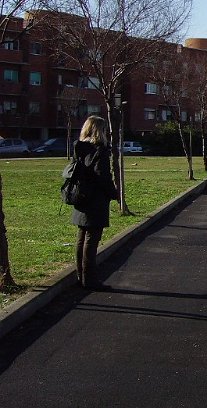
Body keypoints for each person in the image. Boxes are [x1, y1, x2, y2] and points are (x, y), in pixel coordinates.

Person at [71, 115, 118, 291]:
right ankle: (89, 279)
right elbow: (103, 177)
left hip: (80, 197)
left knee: (81, 238)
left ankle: (80, 276)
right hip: (95, 200)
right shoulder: (100, 151)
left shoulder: (80, 148)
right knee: (91, 240)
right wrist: (113, 193)